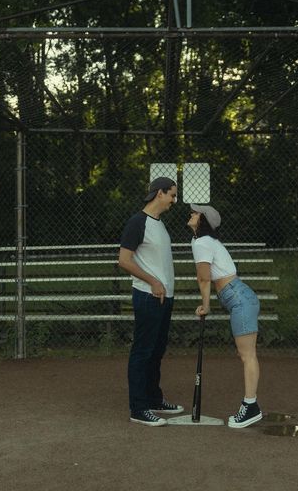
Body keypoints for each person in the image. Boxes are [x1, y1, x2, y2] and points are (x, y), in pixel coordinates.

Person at [188, 204, 263, 428]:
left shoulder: (202, 242)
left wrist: (205, 306)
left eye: (195, 213)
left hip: (239, 298)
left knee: (247, 355)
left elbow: (204, 279)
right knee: (246, 355)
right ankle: (251, 406)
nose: (191, 214)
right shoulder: (201, 242)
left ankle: (251, 407)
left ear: (202, 220)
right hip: (239, 297)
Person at [119, 177, 184, 427]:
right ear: (159, 193)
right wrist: (153, 281)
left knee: (156, 352)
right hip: (148, 296)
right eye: (172, 195)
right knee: (143, 352)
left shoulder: (159, 224)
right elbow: (124, 260)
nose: (173, 201)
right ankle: (138, 408)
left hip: (163, 298)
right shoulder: (138, 222)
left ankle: (154, 399)